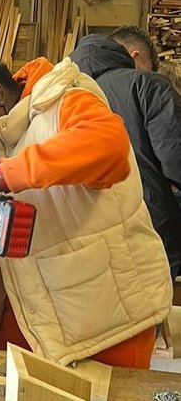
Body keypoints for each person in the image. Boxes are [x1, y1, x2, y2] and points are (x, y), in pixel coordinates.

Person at [0, 30, 172, 369]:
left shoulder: (66, 98)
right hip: (44, 322)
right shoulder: (2, 141)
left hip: (111, 326)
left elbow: (109, 148)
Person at [70, 34, 181, 280]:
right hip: (148, 229)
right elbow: (176, 162)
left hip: (82, 236)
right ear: (134, 56)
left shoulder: (57, 93)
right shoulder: (148, 85)